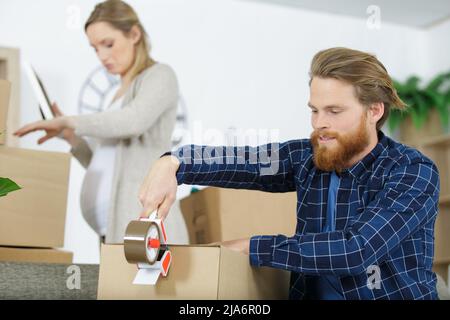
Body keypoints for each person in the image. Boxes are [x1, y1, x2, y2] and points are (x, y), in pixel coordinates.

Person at [138, 47, 440, 300]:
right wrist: (173, 162)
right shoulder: (307, 155)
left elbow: (356, 250)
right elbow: (243, 161)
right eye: (314, 110)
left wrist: (252, 246)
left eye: (334, 111)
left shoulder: (412, 171)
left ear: (374, 111)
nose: (319, 123)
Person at [14, 0, 181, 244]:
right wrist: (71, 137)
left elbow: (134, 120)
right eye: (95, 48)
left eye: (108, 44)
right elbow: (105, 164)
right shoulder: (117, 93)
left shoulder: (160, 75)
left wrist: (70, 121)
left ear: (134, 34)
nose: (102, 56)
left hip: (146, 228)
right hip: (112, 232)